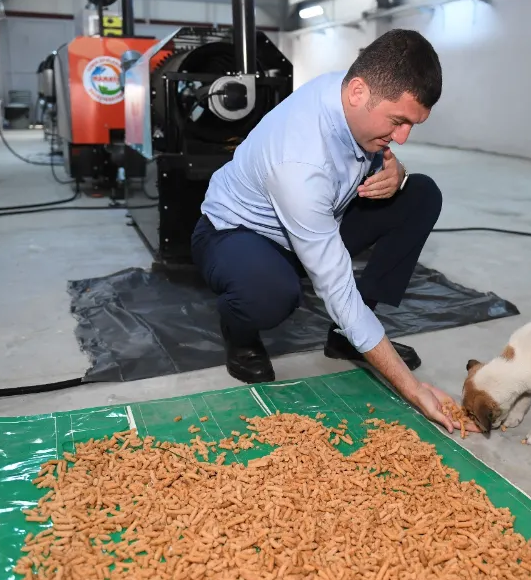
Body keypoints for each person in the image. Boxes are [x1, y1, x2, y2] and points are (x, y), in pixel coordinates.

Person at [191, 28, 476, 435]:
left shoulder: (353, 93)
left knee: (421, 194)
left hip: (319, 217)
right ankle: (238, 330)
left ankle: (346, 338)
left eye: (411, 125)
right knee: (270, 293)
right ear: (359, 92)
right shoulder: (299, 162)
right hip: (238, 233)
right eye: (398, 122)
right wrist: (413, 390)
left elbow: (374, 157)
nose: (402, 137)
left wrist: (396, 171)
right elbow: (335, 286)